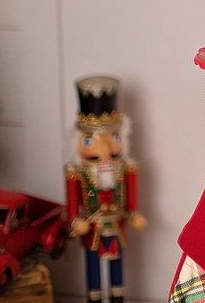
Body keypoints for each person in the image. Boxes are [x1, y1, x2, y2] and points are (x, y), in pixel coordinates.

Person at [64, 75, 145, 303]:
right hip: (92, 229)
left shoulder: (127, 168)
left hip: (117, 226)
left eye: (114, 137)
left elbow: (131, 204)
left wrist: (134, 215)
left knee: (117, 272)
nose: (105, 148)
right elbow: (72, 207)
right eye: (90, 140)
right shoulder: (75, 172)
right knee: (93, 273)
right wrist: (74, 221)